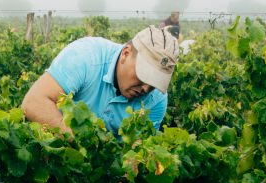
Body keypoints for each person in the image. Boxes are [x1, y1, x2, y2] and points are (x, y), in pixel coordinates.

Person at [21, 25, 179, 135]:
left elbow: (137, 155)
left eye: (154, 82)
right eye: (143, 75)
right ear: (125, 54)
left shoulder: (157, 98)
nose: (146, 88)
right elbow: (34, 102)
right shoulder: (86, 56)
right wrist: (78, 146)